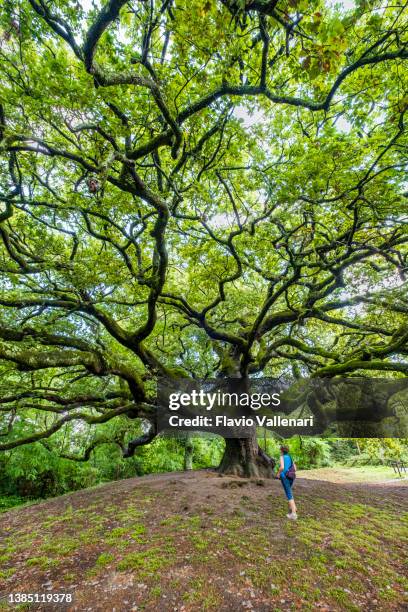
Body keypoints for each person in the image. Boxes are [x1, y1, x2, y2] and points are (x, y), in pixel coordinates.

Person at [276, 445, 297, 520]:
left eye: (280, 450)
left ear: (281, 450)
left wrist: (278, 474)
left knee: (288, 494)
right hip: (291, 476)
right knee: (289, 492)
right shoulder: (290, 457)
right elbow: (295, 468)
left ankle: (294, 514)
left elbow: (282, 467)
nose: (280, 451)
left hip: (284, 476)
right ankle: (293, 508)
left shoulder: (282, 457)